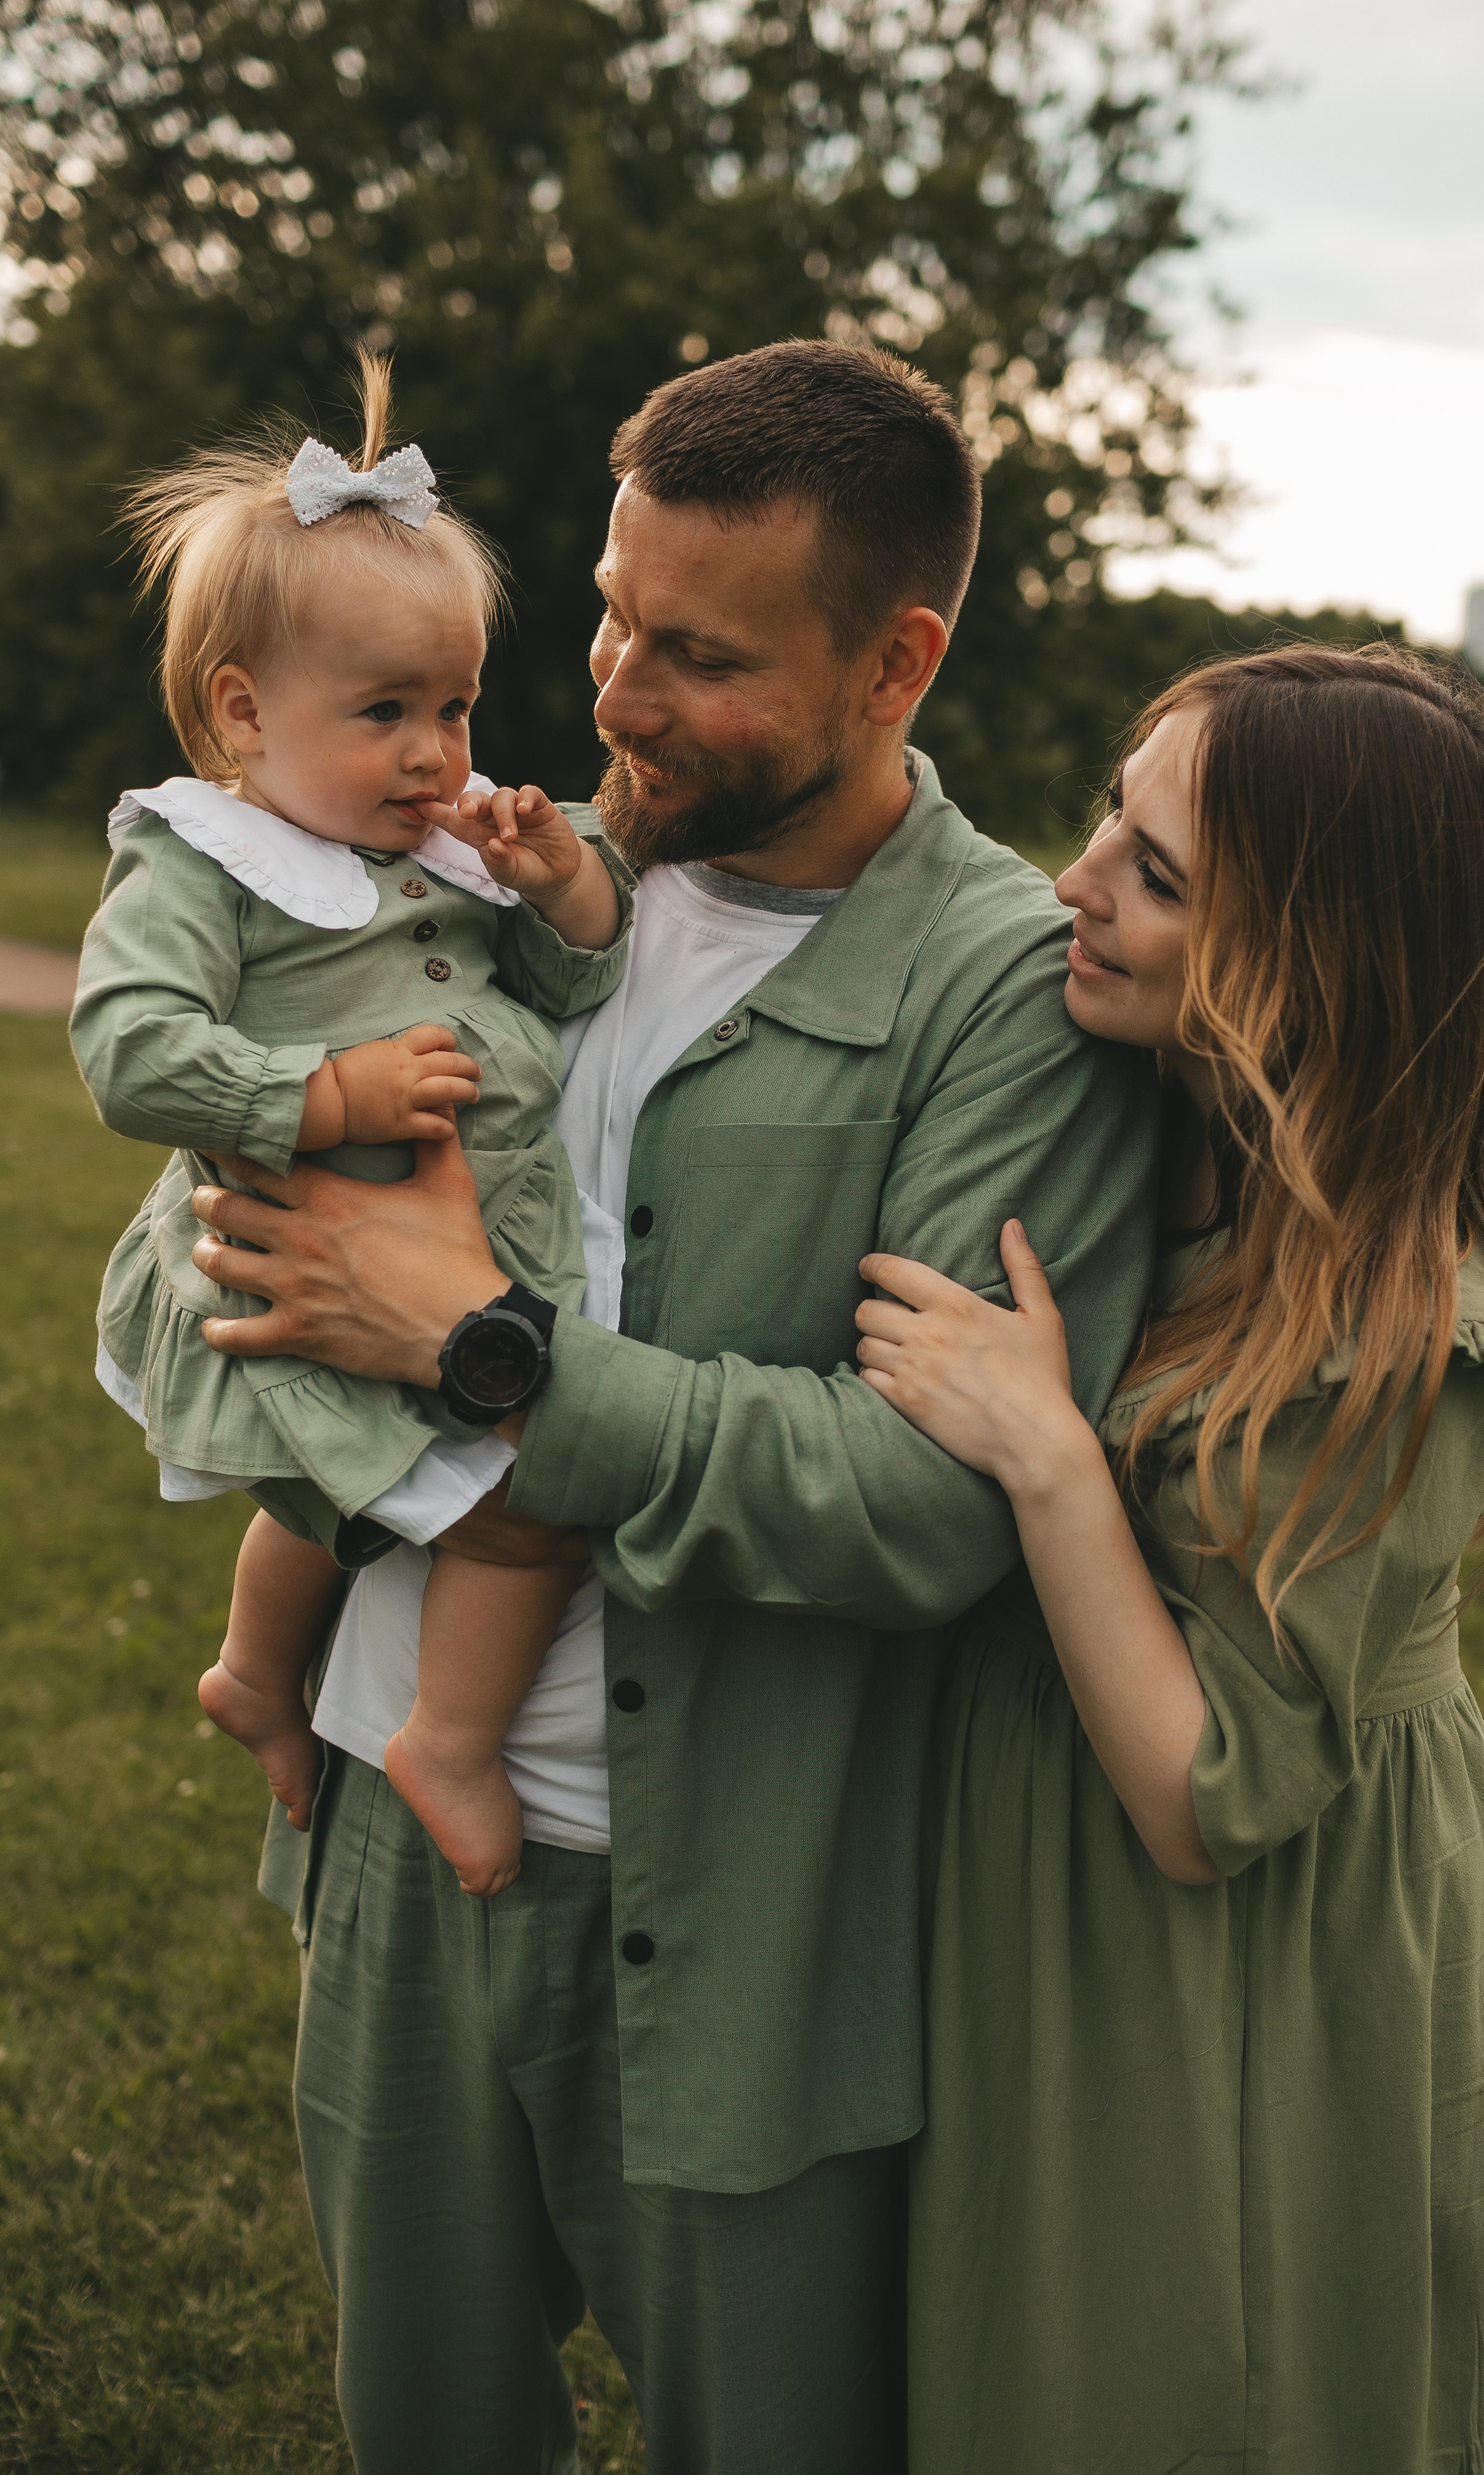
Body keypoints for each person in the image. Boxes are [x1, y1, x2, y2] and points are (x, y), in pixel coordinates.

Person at [173, 339, 1160, 2474]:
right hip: (393, 1841)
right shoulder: (527, 883)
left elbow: (926, 1510)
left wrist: (484, 1352)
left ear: (896, 659)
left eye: (694, 653)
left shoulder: (1005, 991)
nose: (611, 690)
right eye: (614, 612)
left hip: (731, 1911)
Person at [853, 642, 1484, 2474]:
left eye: (1159, 875)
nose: (1076, 879)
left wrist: (1048, 1458)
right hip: (1045, 1894)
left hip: (1261, 1935)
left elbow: (1202, 1796)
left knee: (1209, 2379)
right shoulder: (1136, 1121)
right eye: (1116, 814)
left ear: (1316, 965)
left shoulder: (1412, 1326)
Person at [71, 351, 629, 1898]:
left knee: (339, 1508)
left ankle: (257, 1674)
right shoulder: (204, 865)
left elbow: (581, 973)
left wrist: (556, 882)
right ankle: (448, 1737)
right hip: (313, 1256)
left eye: (452, 705)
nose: (434, 751)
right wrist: (320, 1097)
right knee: (526, 1505)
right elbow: (125, 1048)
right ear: (242, 716)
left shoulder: (444, 843)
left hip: (456, 1243)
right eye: (384, 711)